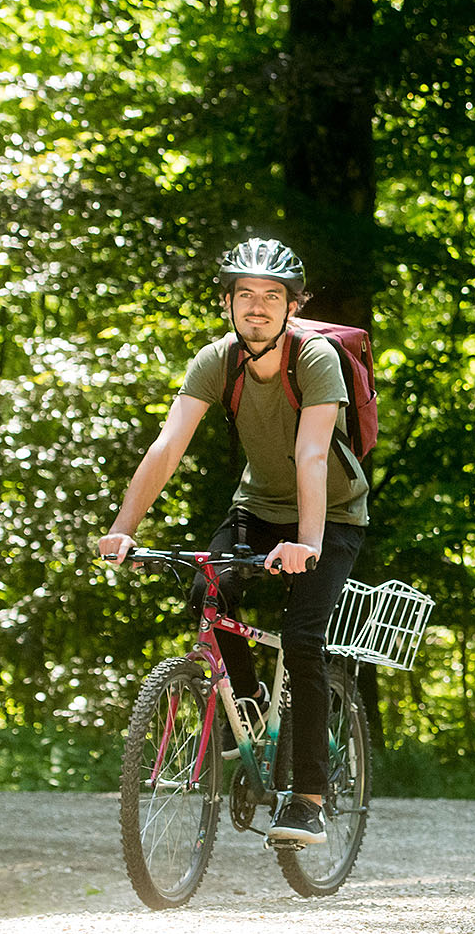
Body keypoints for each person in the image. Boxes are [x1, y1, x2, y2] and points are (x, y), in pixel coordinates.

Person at [97, 238, 368, 845]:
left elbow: (313, 451)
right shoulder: (217, 360)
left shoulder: (316, 358)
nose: (258, 307)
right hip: (256, 507)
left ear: (292, 307)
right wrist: (124, 528)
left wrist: (309, 542)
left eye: (273, 297)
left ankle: (308, 799)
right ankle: (244, 704)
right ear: (227, 303)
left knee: (303, 638)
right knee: (204, 590)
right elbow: (168, 445)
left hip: (333, 513)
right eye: (245, 295)